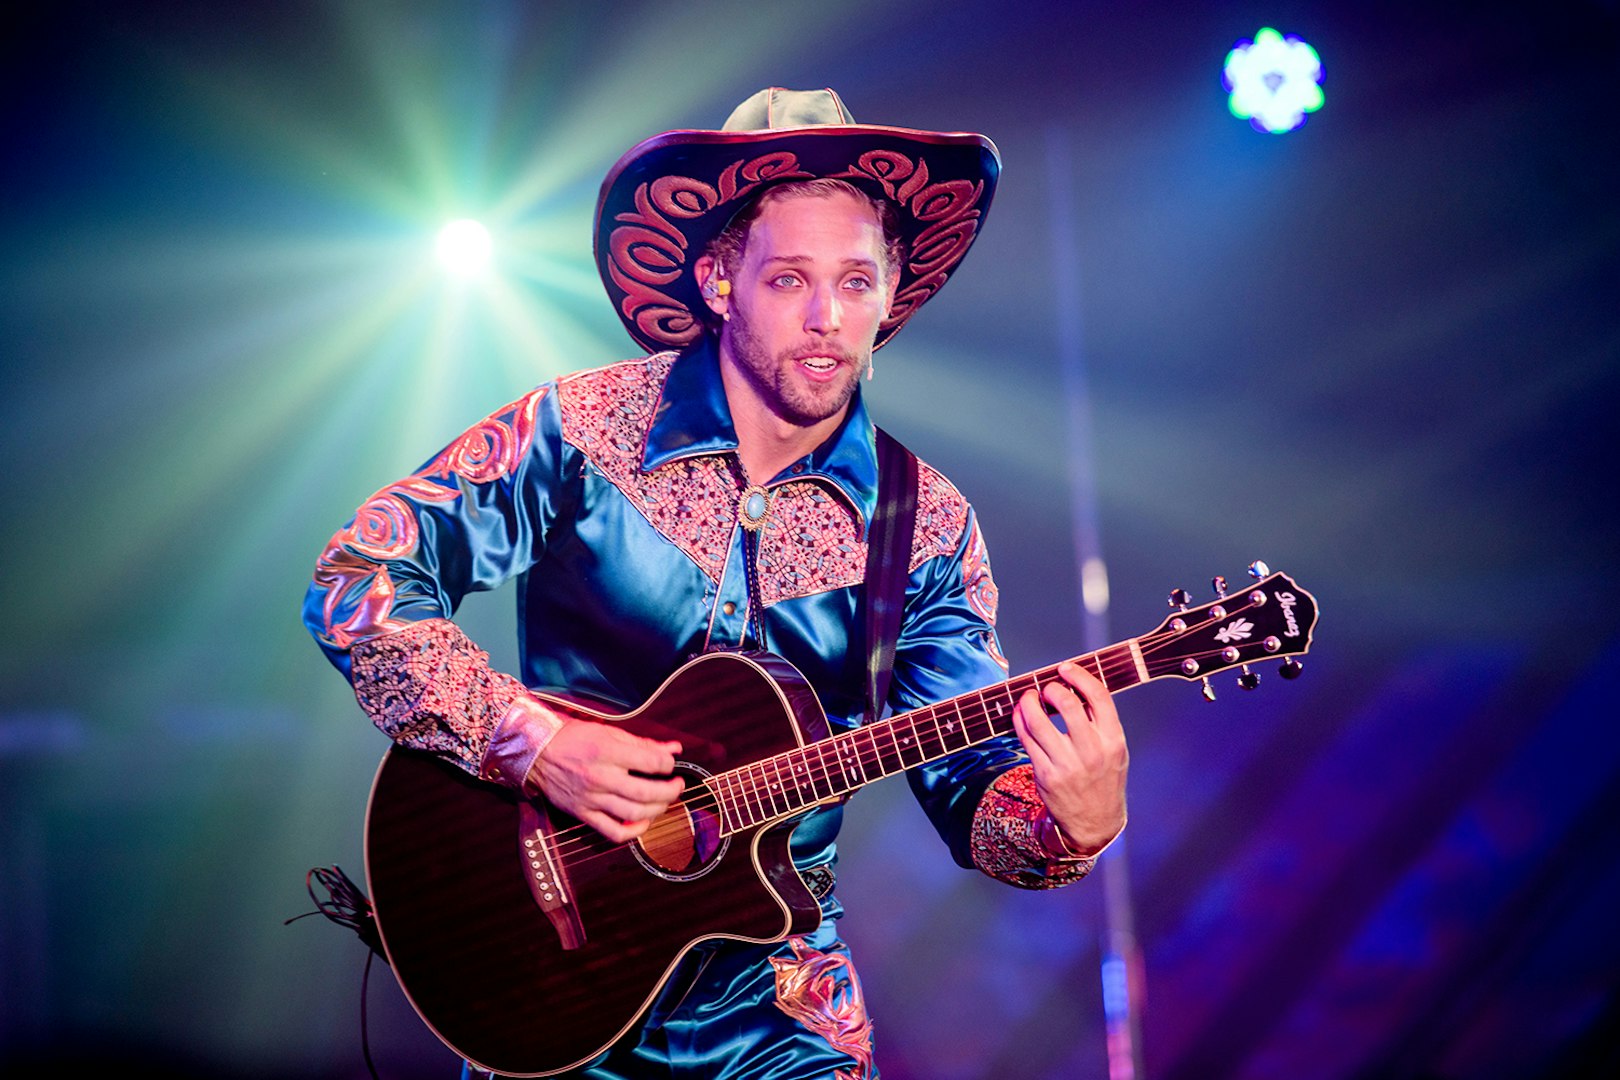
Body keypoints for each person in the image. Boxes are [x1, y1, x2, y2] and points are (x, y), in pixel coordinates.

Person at [303, 87, 1128, 1079]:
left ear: (890, 293)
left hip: (781, 1015)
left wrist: (1075, 822)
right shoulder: (577, 431)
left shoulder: (927, 524)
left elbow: (977, 800)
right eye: (789, 280)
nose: (827, 320)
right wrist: (535, 744)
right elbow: (358, 578)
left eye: (857, 284)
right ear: (720, 278)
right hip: (552, 984)